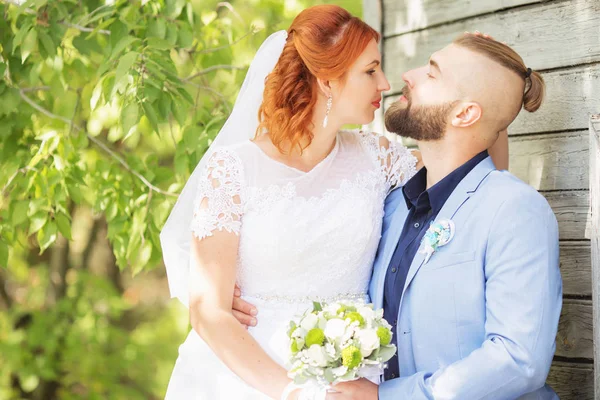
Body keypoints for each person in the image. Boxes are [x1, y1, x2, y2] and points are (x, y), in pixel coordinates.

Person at [160, 5, 508, 400]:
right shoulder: (233, 170)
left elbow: (477, 175)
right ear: (327, 80)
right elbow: (209, 313)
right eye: (370, 70)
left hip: (355, 376)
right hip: (247, 375)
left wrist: (488, 87)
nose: (385, 83)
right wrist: (294, 393)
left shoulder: (378, 158)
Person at [322, 34, 561, 399]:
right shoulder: (390, 205)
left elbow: (518, 359)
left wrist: (383, 397)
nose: (408, 75)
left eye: (432, 74)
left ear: (464, 113)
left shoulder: (516, 211)